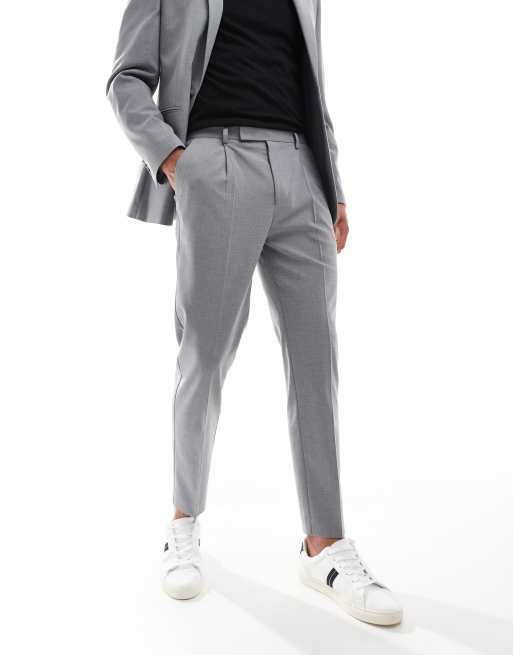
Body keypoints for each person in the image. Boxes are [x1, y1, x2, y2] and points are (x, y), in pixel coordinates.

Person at [107, 0, 402, 626]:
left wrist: (334, 186)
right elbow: (125, 78)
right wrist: (175, 160)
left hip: (303, 173)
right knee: (205, 353)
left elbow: (312, 87)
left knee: (317, 364)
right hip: (215, 162)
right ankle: (183, 524)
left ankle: (324, 546)